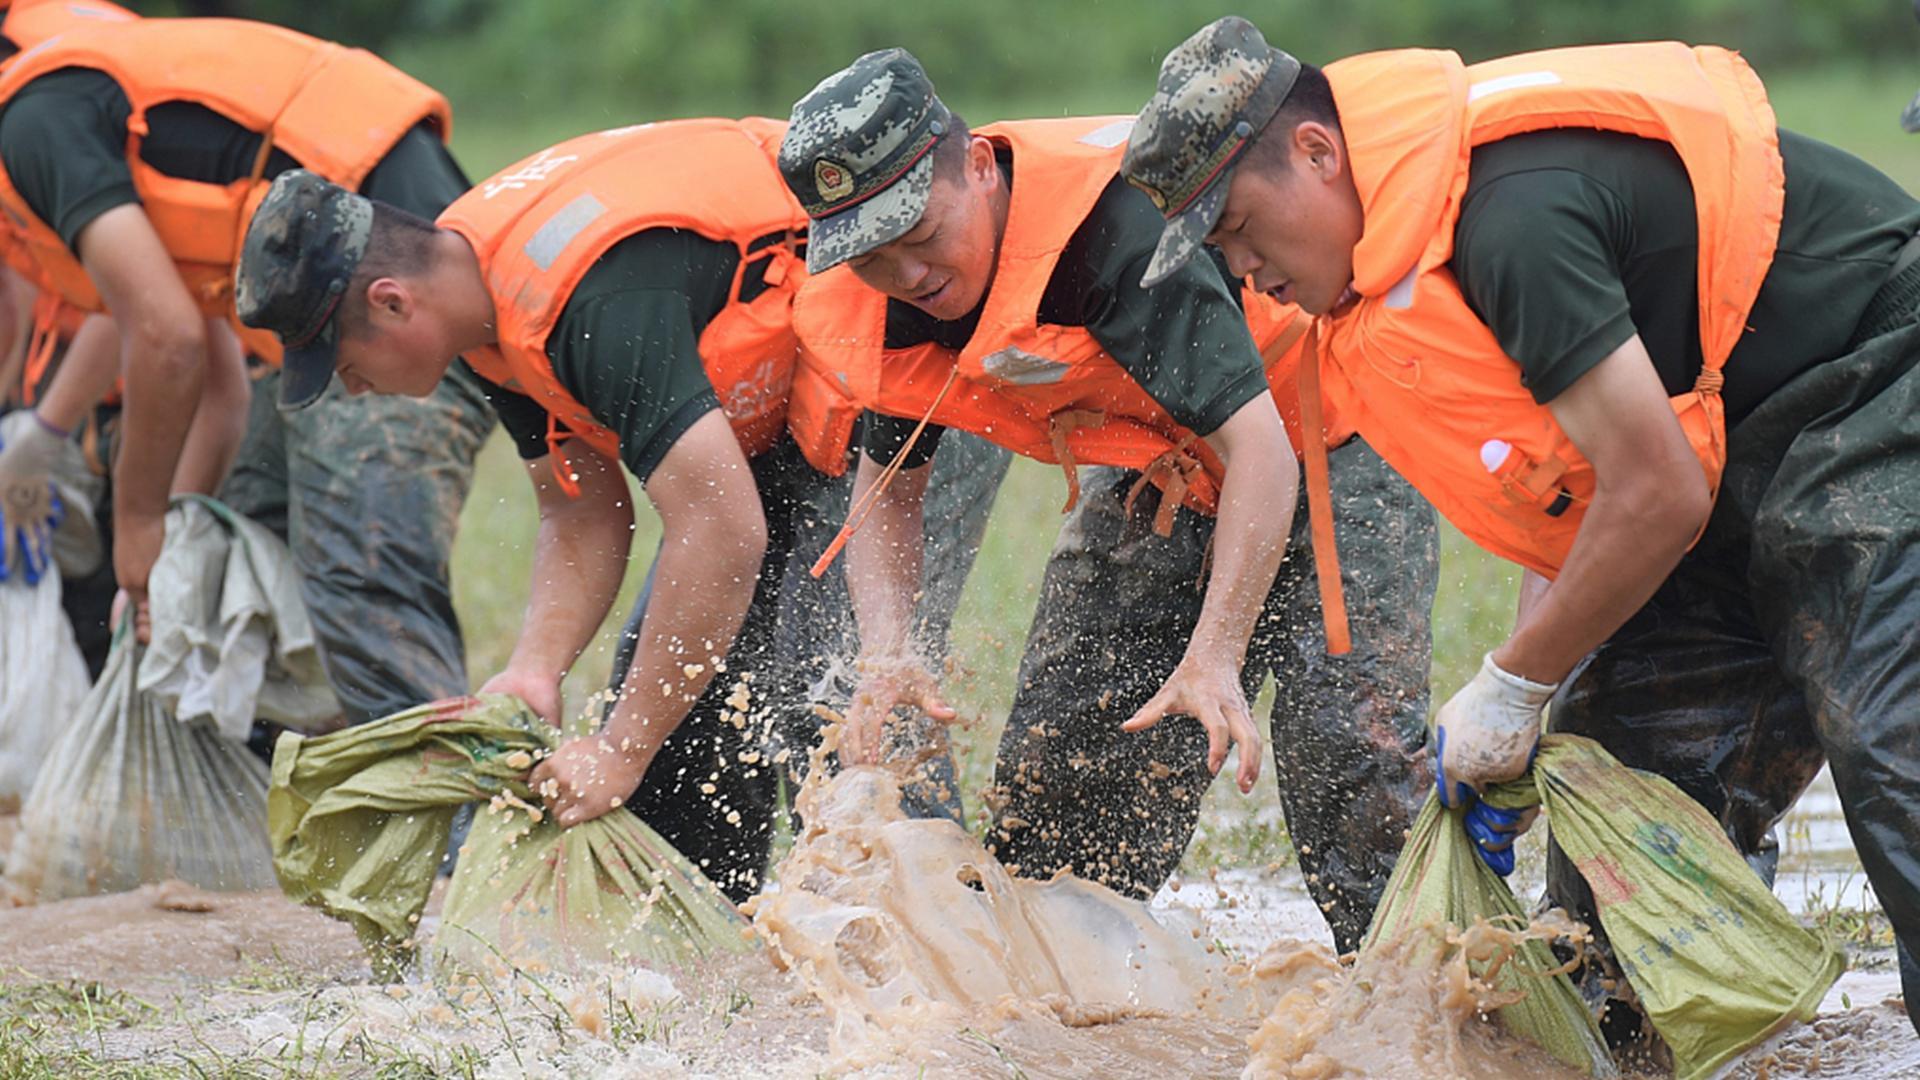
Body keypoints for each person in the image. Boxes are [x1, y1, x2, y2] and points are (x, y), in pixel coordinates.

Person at [1125, 15, 1920, 1033]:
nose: (1247, 273)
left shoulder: (1509, 215)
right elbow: (1585, 492)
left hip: (1874, 380)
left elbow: (1657, 493)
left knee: (1895, 746)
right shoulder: (1409, 263)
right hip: (1729, 458)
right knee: (1620, 795)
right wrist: (1526, 703)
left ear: (1318, 154)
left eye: (1238, 227)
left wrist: (1514, 681)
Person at [233, 119, 1007, 903]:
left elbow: (721, 532)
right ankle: (721, 949)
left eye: (345, 366)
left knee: (833, 695)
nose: (354, 390)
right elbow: (580, 514)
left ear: (392, 303)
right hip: (786, 416)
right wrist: (535, 671)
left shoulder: (587, 298)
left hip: (905, 383)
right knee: (680, 709)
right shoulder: (478, 297)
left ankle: (937, 956)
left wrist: (620, 748)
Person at [780, 48, 1437, 952]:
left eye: (922, 233)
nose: (908, 275)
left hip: (1324, 443)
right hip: (1162, 472)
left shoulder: (1113, 232)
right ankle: (1071, 1019)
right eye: (871, 258)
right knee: (1070, 777)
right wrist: (890, 654)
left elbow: (1262, 454)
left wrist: (1213, 655)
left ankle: (1430, 1008)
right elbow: (888, 496)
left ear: (977, 166)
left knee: (1349, 757)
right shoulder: (896, 306)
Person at [0, 13, 494, 721]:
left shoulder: (37, 117)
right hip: (324, 322)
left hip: (393, 301)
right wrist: (169, 548)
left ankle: (460, 817)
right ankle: (277, 820)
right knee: (232, 584)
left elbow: (168, 341)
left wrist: (137, 524)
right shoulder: (97, 122)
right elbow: (220, 391)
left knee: (362, 600)